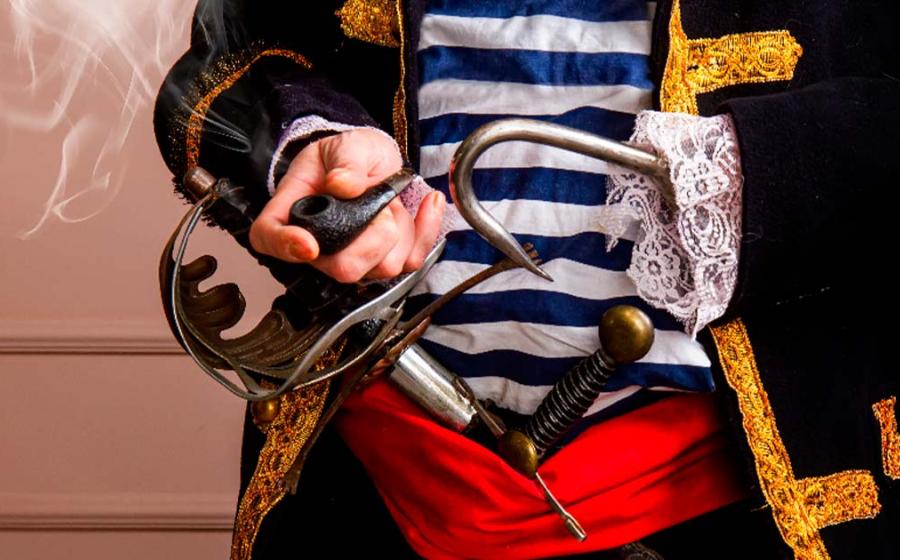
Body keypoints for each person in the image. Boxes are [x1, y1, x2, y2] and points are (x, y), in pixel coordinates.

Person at [154, 1, 900, 558]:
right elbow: (239, 52)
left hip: (741, 497)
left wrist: (768, 170)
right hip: (374, 490)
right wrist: (308, 139)